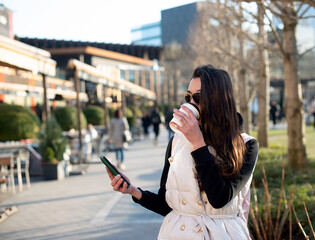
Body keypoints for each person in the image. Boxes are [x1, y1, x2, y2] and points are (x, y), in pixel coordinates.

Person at [105, 65, 259, 239]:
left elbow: (219, 198)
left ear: (219, 100)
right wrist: (133, 191)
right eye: (188, 97)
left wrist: (198, 142)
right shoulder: (176, 142)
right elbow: (167, 205)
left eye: (198, 97)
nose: (190, 103)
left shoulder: (246, 145)